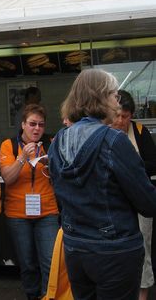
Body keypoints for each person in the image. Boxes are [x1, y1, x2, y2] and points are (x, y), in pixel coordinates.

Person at [48, 68, 156, 300]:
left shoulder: (58, 142)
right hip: (115, 251)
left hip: (76, 248)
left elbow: (60, 197)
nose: (117, 102)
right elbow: (148, 203)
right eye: (113, 95)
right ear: (100, 97)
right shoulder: (115, 141)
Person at [0, 104, 59, 300]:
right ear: (23, 125)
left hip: (48, 211)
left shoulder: (51, 143)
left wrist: (52, 165)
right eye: (32, 124)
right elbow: (7, 178)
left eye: (41, 125)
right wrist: (23, 157)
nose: (37, 129)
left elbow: (65, 175)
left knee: (50, 262)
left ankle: (47, 297)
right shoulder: (9, 145)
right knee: (27, 264)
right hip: (18, 215)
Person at [111, 89, 156, 300]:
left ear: (132, 116)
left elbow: (153, 164)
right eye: (117, 115)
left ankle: (142, 294)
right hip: (114, 204)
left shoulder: (139, 131)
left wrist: (130, 167)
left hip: (140, 202)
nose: (120, 121)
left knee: (143, 250)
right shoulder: (104, 132)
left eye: (125, 116)